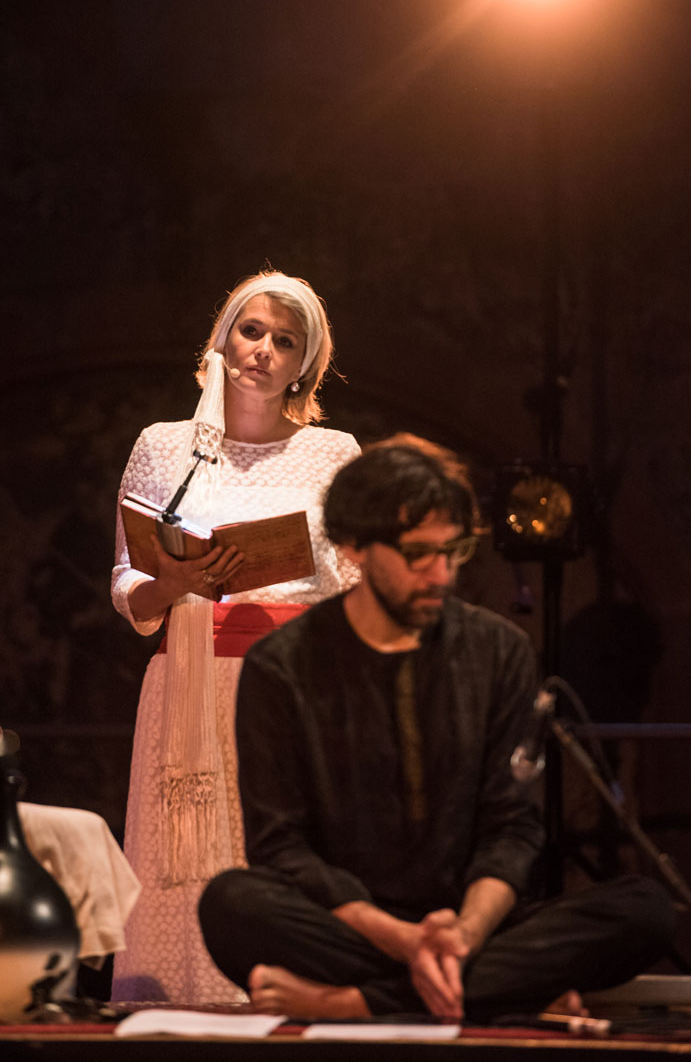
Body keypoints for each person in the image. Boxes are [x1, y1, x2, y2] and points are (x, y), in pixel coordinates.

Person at [198, 440, 678, 1023]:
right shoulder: (281, 665)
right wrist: (404, 941)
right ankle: (505, 994)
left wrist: (465, 935)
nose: (441, 574)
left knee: (646, 909)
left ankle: (358, 1004)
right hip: (353, 925)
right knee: (230, 905)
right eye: (418, 554)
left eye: (454, 551)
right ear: (354, 546)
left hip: (470, 923)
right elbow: (280, 846)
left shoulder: (499, 650)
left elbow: (512, 826)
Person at [110, 269, 360, 1004]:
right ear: (222, 340)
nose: (263, 350)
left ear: (304, 364)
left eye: (285, 341)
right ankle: (172, 1013)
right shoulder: (164, 447)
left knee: (279, 855)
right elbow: (129, 587)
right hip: (189, 684)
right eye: (251, 331)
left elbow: (355, 586)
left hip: (291, 688)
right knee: (182, 867)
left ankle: (287, 1012)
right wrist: (177, 580)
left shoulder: (334, 452)